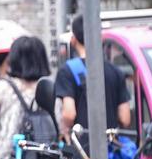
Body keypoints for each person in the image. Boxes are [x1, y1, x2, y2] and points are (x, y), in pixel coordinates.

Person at [56, 13, 132, 149]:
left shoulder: (67, 70)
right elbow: (125, 119)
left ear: (73, 40)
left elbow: (69, 114)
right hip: (111, 150)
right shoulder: (116, 72)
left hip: (83, 153)